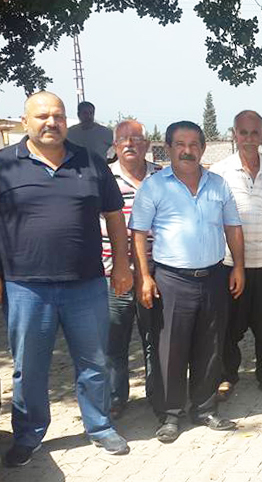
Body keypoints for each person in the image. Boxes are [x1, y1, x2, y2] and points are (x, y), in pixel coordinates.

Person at [0, 91, 132, 467]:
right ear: (25, 122)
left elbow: (114, 216)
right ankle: (28, 434)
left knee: (94, 361)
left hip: (86, 284)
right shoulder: (5, 165)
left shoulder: (90, 161)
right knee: (29, 367)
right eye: (42, 116)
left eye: (58, 116)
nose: (51, 122)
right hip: (25, 286)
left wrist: (122, 265)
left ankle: (100, 426)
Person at [129, 121, 245, 443]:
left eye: (194, 144)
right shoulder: (154, 186)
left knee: (211, 345)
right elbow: (138, 233)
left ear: (203, 148)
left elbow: (233, 227)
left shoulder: (218, 185)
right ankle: (170, 414)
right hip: (171, 280)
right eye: (180, 144)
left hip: (213, 277)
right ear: (168, 148)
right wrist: (144, 277)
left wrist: (239, 267)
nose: (187, 151)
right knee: (170, 349)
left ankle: (205, 408)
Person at [210, 110, 262, 400]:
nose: (249, 138)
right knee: (229, 326)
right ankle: (226, 376)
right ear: (234, 134)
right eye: (243, 132)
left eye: (255, 132)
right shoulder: (219, 172)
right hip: (230, 265)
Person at [103, 119, 163, 419]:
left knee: (155, 339)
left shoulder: (163, 177)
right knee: (115, 342)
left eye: (136, 139)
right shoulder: (103, 178)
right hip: (113, 274)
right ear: (115, 146)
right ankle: (116, 397)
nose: (130, 144)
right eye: (123, 139)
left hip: (156, 273)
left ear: (147, 145)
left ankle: (157, 393)